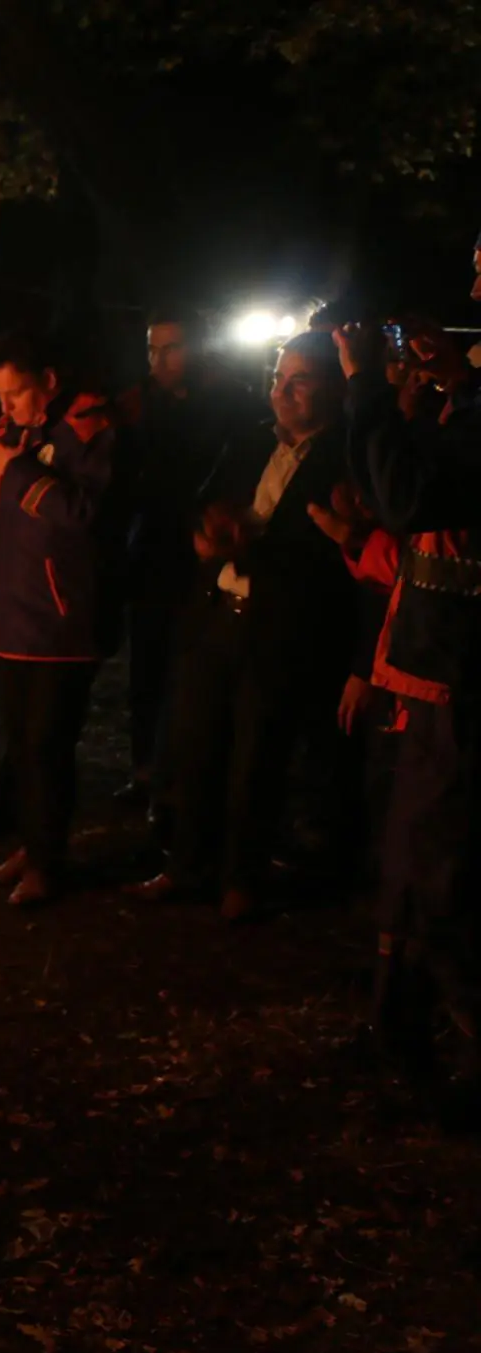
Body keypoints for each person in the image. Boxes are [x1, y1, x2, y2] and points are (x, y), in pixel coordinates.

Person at [130, 333, 355, 922]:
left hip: (278, 631)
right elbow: (205, 499)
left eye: (299, 379)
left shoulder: (344, 460)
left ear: (334, 386)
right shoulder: (254, 440)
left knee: (255, 759)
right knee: (195, 746)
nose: (281, 389)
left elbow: (329, 559)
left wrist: (252, 548)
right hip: (216, 618)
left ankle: (241, 878)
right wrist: (206, 530)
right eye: (279, 375)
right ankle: (185, 864)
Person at [339, 258, 481, 1105]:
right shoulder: (465, 395)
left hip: (465, 678)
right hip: (431, 668)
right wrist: (443, 386)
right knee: (409, 858)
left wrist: (363, 390)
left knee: (447, 867)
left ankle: (463, 1050)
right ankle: (401, 1027)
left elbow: (411, 494)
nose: (470, 293)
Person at [0, 332, 116, 907]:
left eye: (17, 393)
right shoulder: (12, 433)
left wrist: (23, 474)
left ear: (49, 382)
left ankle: (48, 863)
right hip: (14, 614)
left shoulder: (87, 430)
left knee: (49, 746)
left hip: (60, 622)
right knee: (22, 745)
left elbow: (85, 514)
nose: (6, 408)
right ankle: (31, 848)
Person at [117, 309, 242, 803]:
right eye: (153, 349)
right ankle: (146, 768)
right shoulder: (134, 407)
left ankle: (194, 771)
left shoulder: (224, 404)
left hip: (203, 557)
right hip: (151, 554)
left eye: (170, 348)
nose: (159, 359)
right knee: (147, 667)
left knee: (199, 671)